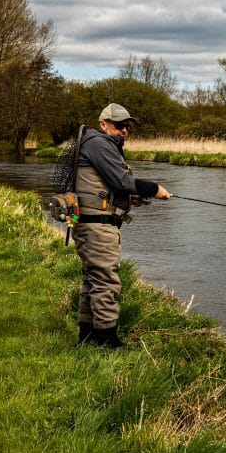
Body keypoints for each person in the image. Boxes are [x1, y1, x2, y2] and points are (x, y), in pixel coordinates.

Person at [72, 103, 171, 348]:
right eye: (119, 125)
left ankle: (87, 338)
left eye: (127, 126)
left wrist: (130, 199)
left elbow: (106, 186)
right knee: (107, 282)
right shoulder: (99, 143)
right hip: (97, 227)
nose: (124, 130)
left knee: (93, 281)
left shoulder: (99, 143)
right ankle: (108, 342)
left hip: (93, 223)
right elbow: (122, 180)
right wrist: (154, 188)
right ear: (103, 123)